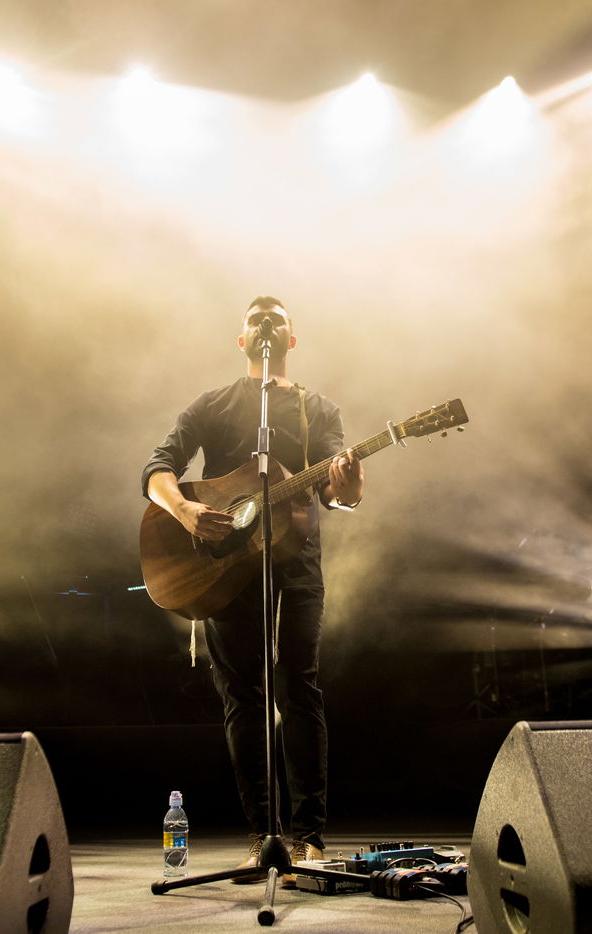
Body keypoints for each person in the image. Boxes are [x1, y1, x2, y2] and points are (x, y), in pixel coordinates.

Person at [141, 297, 364, 880]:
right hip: (227, 570)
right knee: (243, 698)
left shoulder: (318, 410)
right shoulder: (213, 405)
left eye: (278, 316)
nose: (266, 320)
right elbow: (157, 468)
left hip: (298, 565)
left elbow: (339, 497)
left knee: (299, 687)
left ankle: (309, 837)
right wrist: (187, 511)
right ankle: (263, 835)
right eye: (255, 317)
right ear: (243, 340)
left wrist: (350, 484)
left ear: (292, 340)